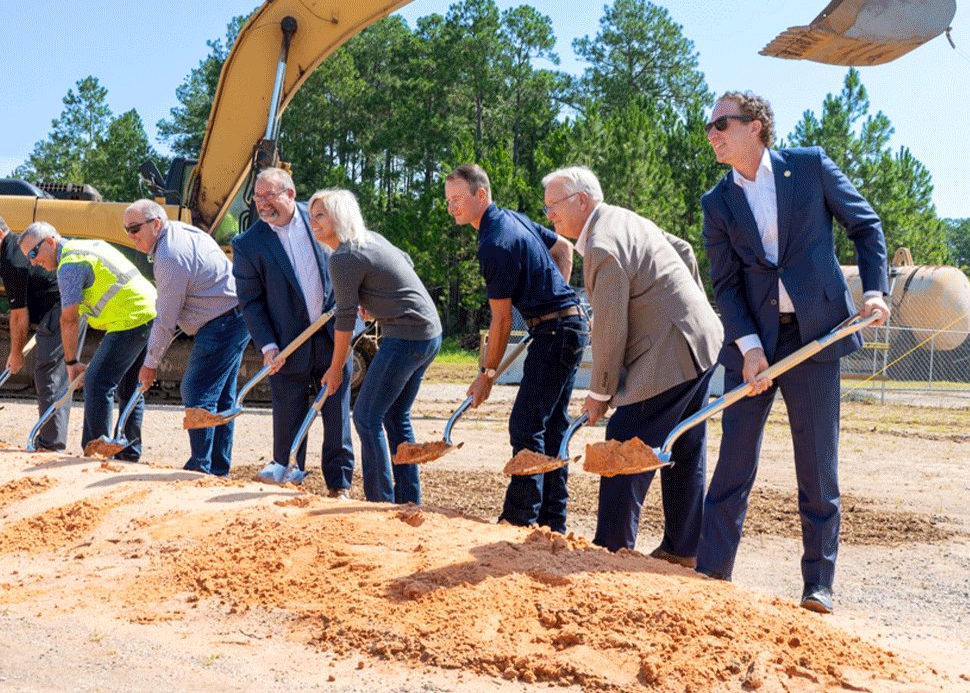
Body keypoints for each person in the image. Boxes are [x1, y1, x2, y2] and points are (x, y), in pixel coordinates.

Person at [697, 91, 889, 614]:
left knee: (817, 464)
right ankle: (712, 572)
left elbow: (865, 226)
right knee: (734, 458)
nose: (711, 134)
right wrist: (751, 349)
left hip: (816, 334)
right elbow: (727, 285)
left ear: (755, 126)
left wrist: (875, 290)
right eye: (708, 126)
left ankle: (818, 585)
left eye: (721, 123)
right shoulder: (717, 203)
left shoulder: (808, 167)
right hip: (754, 343)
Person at [539, 166, 723, 565]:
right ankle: (683, 548)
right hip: (701, 340)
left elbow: (609, 327)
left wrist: (599, 394)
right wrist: (690, 310)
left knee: (625, 438)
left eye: (554, 206)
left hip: (673, 352)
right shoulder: (626, 218)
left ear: (581, 201)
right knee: (682, 442)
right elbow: (685, 250)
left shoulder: (602, 246)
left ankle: (613, 551)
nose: (548, 214)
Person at [444, 163, 588, 533]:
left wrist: (486, 375)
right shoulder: (512, 219)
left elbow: (502, 321)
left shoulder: (495, 243)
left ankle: (520, 518)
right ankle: (552, 521)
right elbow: (564, 249)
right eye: (448, 202)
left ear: (481, 194)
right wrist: (556, 295)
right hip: (565, 326)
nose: (452, 208)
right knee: (552, 425)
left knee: (526, 423)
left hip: (557, 331)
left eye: (458, 199)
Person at [307, 188, 443, 504]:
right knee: (396, 417)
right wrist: (377, 300)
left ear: (338, 218)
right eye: (311, 215)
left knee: (366, 418)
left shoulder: (343, 257)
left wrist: (337, 367)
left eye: (320, 215)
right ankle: (408, 500)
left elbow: (343, 319)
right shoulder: (372, 239)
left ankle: (380, 502)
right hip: (429, 332)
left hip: (407, 337)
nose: (313, 222)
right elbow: (404, 261)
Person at [231, 168, 355, 497]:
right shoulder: (248, 244)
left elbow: (352, 260)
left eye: (269, 195)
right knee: (287, 416)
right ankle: (287, 476)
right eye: (257, 197)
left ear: (290, 193)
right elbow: (250, 302)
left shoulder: (321, 220)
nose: (262, 204)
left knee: (337, 417)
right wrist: (268, 346)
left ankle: (339, 486)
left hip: (333, 337)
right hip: (287, 346)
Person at [123, 199, 251, 476]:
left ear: (156, 223)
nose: (131, 237)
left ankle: (200, 467)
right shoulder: (179, 233)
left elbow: (166, 319)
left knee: (196, 390)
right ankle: (217, 468)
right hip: (234, 314)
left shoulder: (169, 256)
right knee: (221, 399)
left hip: (223, 320)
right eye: (127, 231)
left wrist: (150, 364)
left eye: (135, 229)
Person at [19, 221, 157, 461]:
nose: (33, 262)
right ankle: (128, 454)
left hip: (131, 316)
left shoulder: (70, 265)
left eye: (34, 253)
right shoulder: (86, 246)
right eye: (28, 257)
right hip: (149, 309)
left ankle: (95, 453)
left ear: (51, 241)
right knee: (130, 388)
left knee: (97, 382)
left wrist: (71, 363)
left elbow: (69, 320)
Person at [0, 212, 83, 452]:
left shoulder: (12, 259)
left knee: (49, 375)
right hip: (56, 309)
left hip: (59, 308)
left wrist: (16, 353)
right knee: (52, 374)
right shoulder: (14, 251)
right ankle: (52, 441)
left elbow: (19, 315)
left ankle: (51, 445)